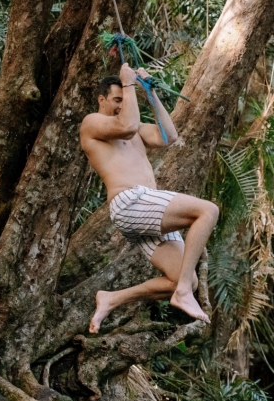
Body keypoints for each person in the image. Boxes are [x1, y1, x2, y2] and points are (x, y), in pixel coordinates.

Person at [80, 62, 219, 333]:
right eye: (117, 99)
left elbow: (169, 136)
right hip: (130, 202)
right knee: (208, 211)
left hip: (147, 208)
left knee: (187, 280)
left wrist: (149, 91)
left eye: (124, 99)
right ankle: (181, 293)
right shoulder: (93, 123)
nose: (121, 104)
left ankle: (111, 298)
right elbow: (127, 126)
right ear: (102, 99)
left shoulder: (134, 129)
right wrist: (129, 82)